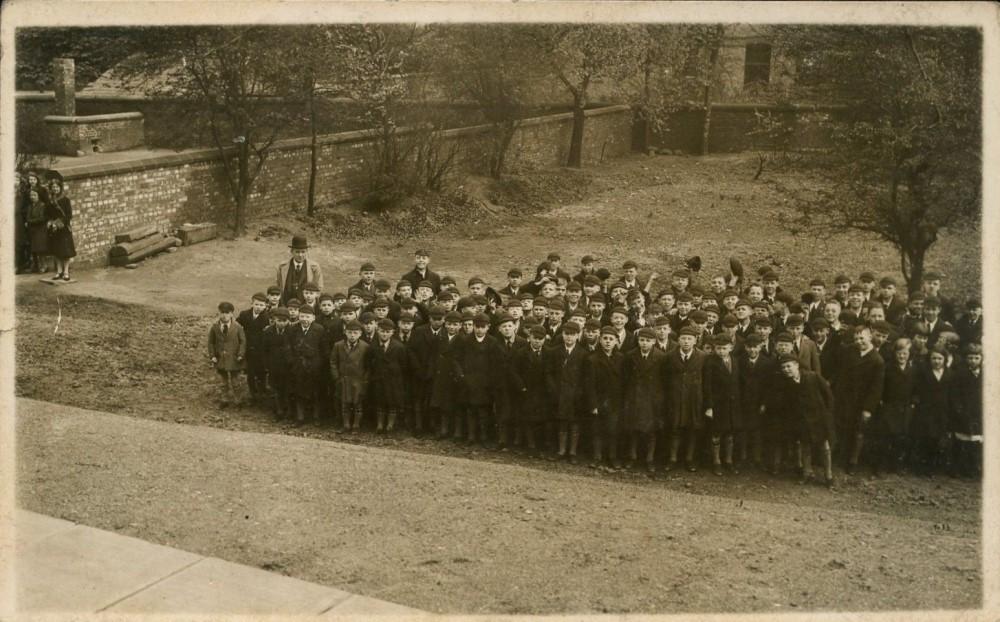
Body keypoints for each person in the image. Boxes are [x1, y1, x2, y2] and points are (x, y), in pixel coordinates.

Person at [833, 325, 885, 474]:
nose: (859, 341)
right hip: (846, 399)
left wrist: (868, 409)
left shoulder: (877, 360)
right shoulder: (850, 351)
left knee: (858, 432)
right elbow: (842, 375)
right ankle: (841, 458)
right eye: (856, 339)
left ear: (870, 337)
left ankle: (853, 462)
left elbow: (876, 388)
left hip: (862, 402)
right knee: (843, 428)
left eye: (862, 338)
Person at [778, 354, 835, 488]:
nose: (786, 370)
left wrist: (827, 415)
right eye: (783, 368)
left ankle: (829, 476)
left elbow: (828, 396)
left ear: (797, 365)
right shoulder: (787, 384)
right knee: (805, 447)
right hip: (802, 421)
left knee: (824, 447)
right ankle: (806, 473)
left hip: (819, 419)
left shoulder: (812, 377)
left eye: (788, 366)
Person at [622, 327, 666, 474]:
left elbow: (663, 379)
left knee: (651, 431)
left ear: (654, 341)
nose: (644, 343)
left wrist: (659, 399)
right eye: (642, 340)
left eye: (648, 340)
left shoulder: (660, 357)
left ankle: (649, 459)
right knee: (633, 429)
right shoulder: (630, 355)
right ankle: (632, 457)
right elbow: (626, 377)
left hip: (652, 398)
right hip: (634, 396)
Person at [664, 325, 707, 472]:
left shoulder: (702, 356)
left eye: (690, 339)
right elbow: (665, 378)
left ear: (695, 341)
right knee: (675, 428)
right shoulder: (670, 356)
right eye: (683, 339)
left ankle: (689, 459)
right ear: (678, 340)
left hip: (694, 399)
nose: (686, 342)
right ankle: (672, 458)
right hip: (675, 398)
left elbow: (706, 379)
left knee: (692, 428)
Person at [545, 321, 588, 462]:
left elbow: (585, 377)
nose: (569, 338)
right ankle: (561, 450)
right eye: (566, 334)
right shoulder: (555, 351)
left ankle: (572, 452)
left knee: (575, 424)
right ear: (562, 334)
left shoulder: (583, 354)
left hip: (575, 395)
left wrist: (580, 392)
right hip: (560, 394)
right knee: (562, 422)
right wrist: (553, 389)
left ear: (578, 335)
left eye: (572, 335)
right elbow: (548, 373)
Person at [873, 338, 916, 475]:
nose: (902, 356)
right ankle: (881, 465)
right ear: (895, 354)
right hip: (889, 406)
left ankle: (896, 464)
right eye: (899, 353)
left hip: (905, 408)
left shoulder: (912, 369)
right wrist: (881, 401)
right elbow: (880, 386)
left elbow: (916, 389)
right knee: (885, 437)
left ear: (909, 354)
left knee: (900, 438)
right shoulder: (888, 368)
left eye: (905, 353)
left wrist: (913, 402)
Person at [910, 348, 954, 477]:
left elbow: (951, 394)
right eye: (934, 358)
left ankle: (931, 467)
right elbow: (917, 389)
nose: (937, 361)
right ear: (930, 360)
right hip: (925, 410)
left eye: (940, 358)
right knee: (924, 438)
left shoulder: (950, 374)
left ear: (945, 360)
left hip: (941, 411)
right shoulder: (924, 372)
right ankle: (920, 467)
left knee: (936, 439)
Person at [585, 327, 624, 469]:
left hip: (614, 400)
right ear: (600, 340)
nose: (608, 342)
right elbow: (589, 385)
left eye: (611, 339)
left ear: (616, 341)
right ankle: (597, 456)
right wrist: (593, 404)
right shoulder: (592, 359)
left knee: (613, 430)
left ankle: (612, 457)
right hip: (599, 400)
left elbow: (623, 382)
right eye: (605, 339)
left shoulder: (621, 358)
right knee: (597, 430)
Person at [704, 334, 742, 475]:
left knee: (730, 433)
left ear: (731, 348)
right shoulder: (710, 362)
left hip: (733, 404)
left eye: (724, 348)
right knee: (717, 433)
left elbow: (737, 382)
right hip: (718, 404)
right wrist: (709, 406)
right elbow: (707, 385)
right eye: (718, 348)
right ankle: (716, 461)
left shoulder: (735, 361)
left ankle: (728, 460)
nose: (721, 351)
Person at [287, 304, 328, 424]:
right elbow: (288, 346)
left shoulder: (319, 329)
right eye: (302, 316)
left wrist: (319, 363)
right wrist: (292, 361)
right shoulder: (293, 329)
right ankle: (300, 417)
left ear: (313, 318)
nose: (305, 319)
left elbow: (324, 349)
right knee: (299, 391)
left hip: (314, 366)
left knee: (315, 392)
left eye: (307, 316)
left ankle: (316, 417)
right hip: (298, 365)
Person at [330, 319, 371, 432]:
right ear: (345, 332)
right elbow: (333, 362)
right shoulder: (338, 345)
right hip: (344, 379)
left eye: (355, 333)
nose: (352, 335)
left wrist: (365, 380)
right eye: (350, 332)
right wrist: (336, 377)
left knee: (357, 404)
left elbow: (368, 366)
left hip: (358, 380)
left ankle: (356, 425)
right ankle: (346, 425)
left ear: (360, 334)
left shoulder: (365, 347)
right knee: (345, 404)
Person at [369, 318, 408, 434]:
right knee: (380, 402)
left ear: (392, 332)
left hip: (393, 380)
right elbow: (369, 362)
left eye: (387, 331)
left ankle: (390, 425)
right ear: (377, 331)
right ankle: (380, 425)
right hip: (379, 378)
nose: (384, 334)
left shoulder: (399, 347)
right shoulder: (373, 346)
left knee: (392, 403)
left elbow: (404, 365)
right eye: (382, 331)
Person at [951, 343, 982, 479]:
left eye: (976, 358)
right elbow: (955, 394)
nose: (973, 361)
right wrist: (959, 409)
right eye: (970, 358)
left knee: (976, 442)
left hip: (978, 412)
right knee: (961, 440)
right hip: (963, 411)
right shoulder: (960, 374)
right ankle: (958, 468)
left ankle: (973, 468)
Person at [207, 302, 246, 406]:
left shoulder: (238, 327)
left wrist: (241, 354)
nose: (224, 315)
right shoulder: (215, 327)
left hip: (234, 358)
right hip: (221, 358)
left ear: (232, 314)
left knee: (236, 381)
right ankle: (224, 399)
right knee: (222, 381)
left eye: (227, 313)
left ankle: (239, 400)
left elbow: (243, 341)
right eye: (222, 313)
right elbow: (211, 342)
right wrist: (213, 355)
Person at [262, 307, 294, 420]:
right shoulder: (268, 332)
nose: (281, 323)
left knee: (288, 388)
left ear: (288, 321)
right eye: (279, 320)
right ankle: (278, 410)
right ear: (274, 319)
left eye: (284, 321)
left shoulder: (292, 331)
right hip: (274, 366)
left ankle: (289, 411)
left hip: (288, 366)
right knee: (276, 388)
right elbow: (265, 350)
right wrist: (267, 365)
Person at [44, 174, 76, 280]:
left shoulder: (65, 200)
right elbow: (47, 214)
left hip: (63, 229)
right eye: (53, 188)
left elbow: (69, 215)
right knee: (56, 251)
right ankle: (59, 271)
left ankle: (66, 272)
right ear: (51, 189)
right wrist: (50, 222)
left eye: (57, 187)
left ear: (60, 188)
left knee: (65, 252)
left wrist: (59, 223)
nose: (55, 189)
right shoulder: (49, 201)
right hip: (54, 229)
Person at [276, 236, 323, 305]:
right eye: (297, 252)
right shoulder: (282, 266)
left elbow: (319, 287)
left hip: (306, 306)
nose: (300, 255)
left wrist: (311, 305)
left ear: (307, 251)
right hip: (286, 304)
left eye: (303, 252)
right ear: (292, 251)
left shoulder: (315, 267)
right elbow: (278, 285)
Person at [24, 189, 50, 274]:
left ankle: (44, 266)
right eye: (31, 195)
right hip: (32, 230)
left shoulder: (42, 205)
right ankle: (36, 266)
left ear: (38, 196)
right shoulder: (29, 206)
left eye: (34, 195)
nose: (32, 197)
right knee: (34, 249)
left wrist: (30, 221)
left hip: (40, 229)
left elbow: (41, 218)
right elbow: (27, 217)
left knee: (41, 249)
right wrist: (30, 221)